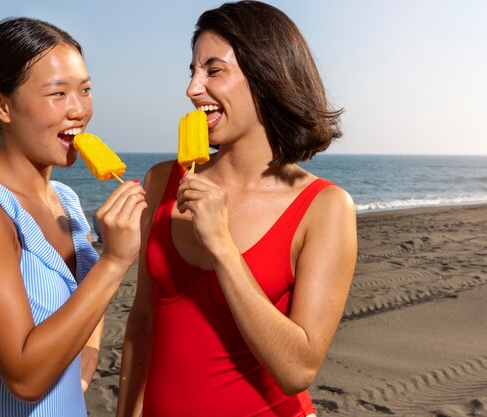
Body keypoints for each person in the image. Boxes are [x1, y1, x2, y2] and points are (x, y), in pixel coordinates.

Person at [116, 2, 357, 416]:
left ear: (267, 77)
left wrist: (223, 248)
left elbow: (297, 369)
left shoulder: (324, 208)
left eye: (212, 71)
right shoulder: (160, 181)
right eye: (192, 72)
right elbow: (142, 324)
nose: (192, 89)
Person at [0, 17, 147, 417]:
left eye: (85, 90)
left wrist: (76, 383)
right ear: (0, 104)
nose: (79, 110)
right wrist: (114, 260)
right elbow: (25, 378)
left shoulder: (67, 201)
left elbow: (86, 314)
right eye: (58, 93)